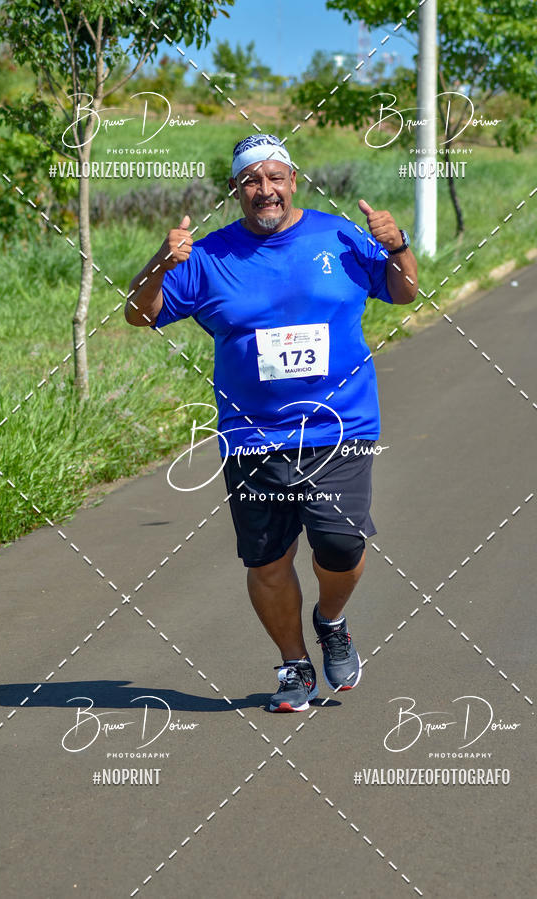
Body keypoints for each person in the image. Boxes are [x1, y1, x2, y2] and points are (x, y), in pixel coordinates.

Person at [125, 134, 418, 712]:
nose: (266, 191)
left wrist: (399, 246)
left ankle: (330, 620)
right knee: (266, 560)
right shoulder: (208, 257)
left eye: (276, 177)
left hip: (340, 425)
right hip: (252, 435)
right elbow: (139, 313)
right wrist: (161, 262)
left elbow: (404, 292)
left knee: (341, 545)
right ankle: (294, 667)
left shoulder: (338, 234)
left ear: (294, 181)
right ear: (235, 189)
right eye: (252, 181)